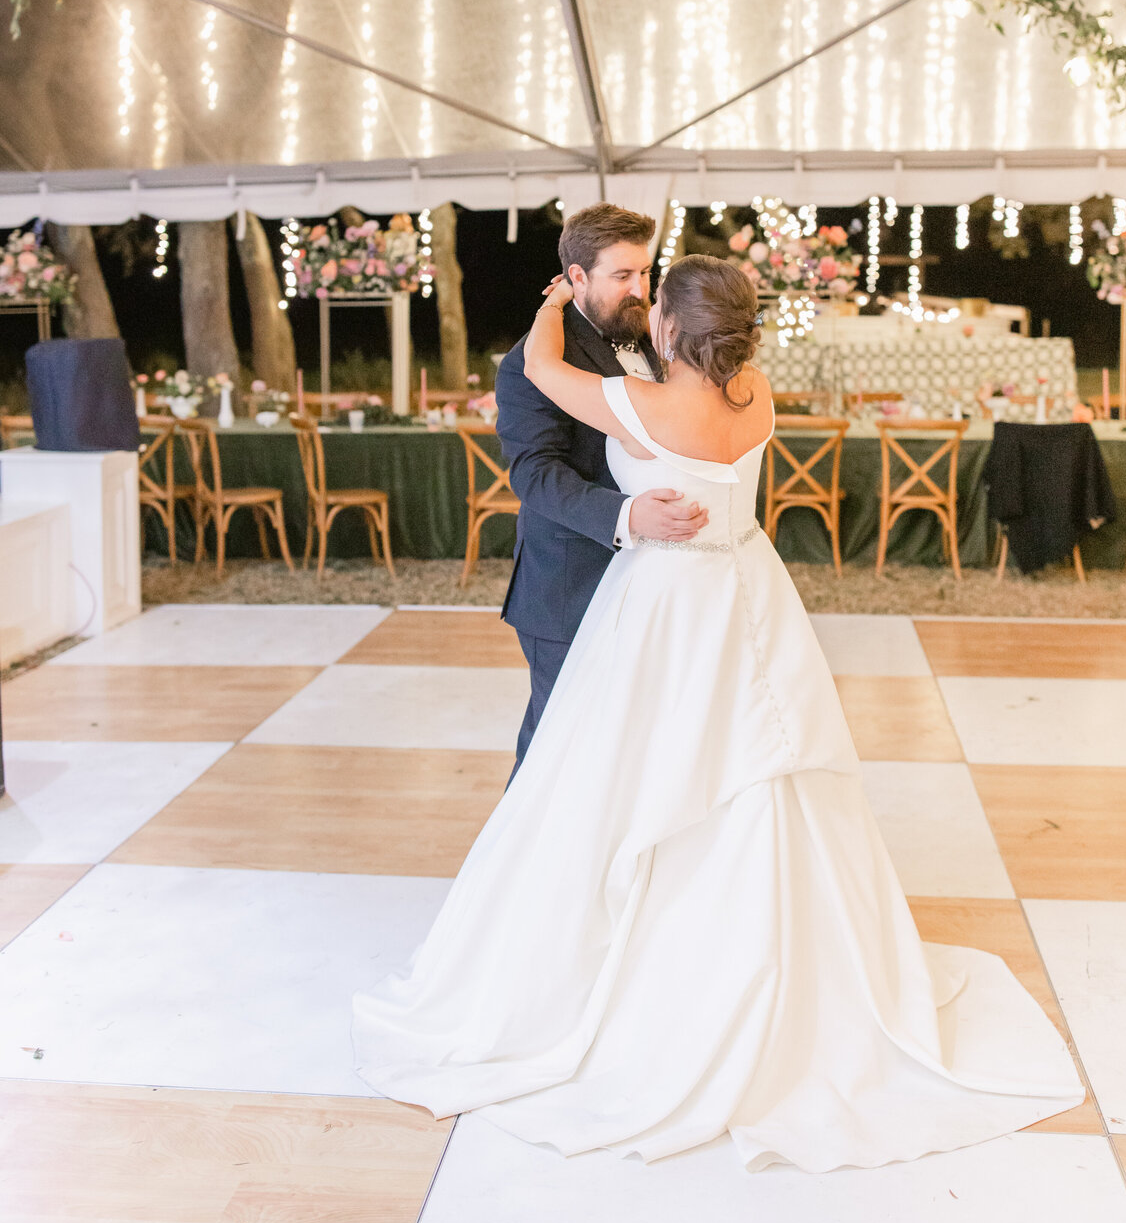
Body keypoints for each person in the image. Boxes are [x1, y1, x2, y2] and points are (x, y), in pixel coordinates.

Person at [352, 253, 1084, 1172]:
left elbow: (543, 370)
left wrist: (551, 300)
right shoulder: (757, 394)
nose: (646, 308)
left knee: (637, 772)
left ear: (673, 330)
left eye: (657, 301)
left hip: (665, 604)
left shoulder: (650, 406)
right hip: (747, 588)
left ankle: (645, 970)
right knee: (756, 774)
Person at [493, 203, 710, 772]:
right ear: (576, 278)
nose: (640, 289)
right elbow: (534, 474)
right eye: (622, 276)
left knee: (630, 750)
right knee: (557, 752)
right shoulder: (533, 362)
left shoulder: (651, 339)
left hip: (651, 587)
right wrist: (627, 516)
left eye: (644, 272)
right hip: (570, 588)